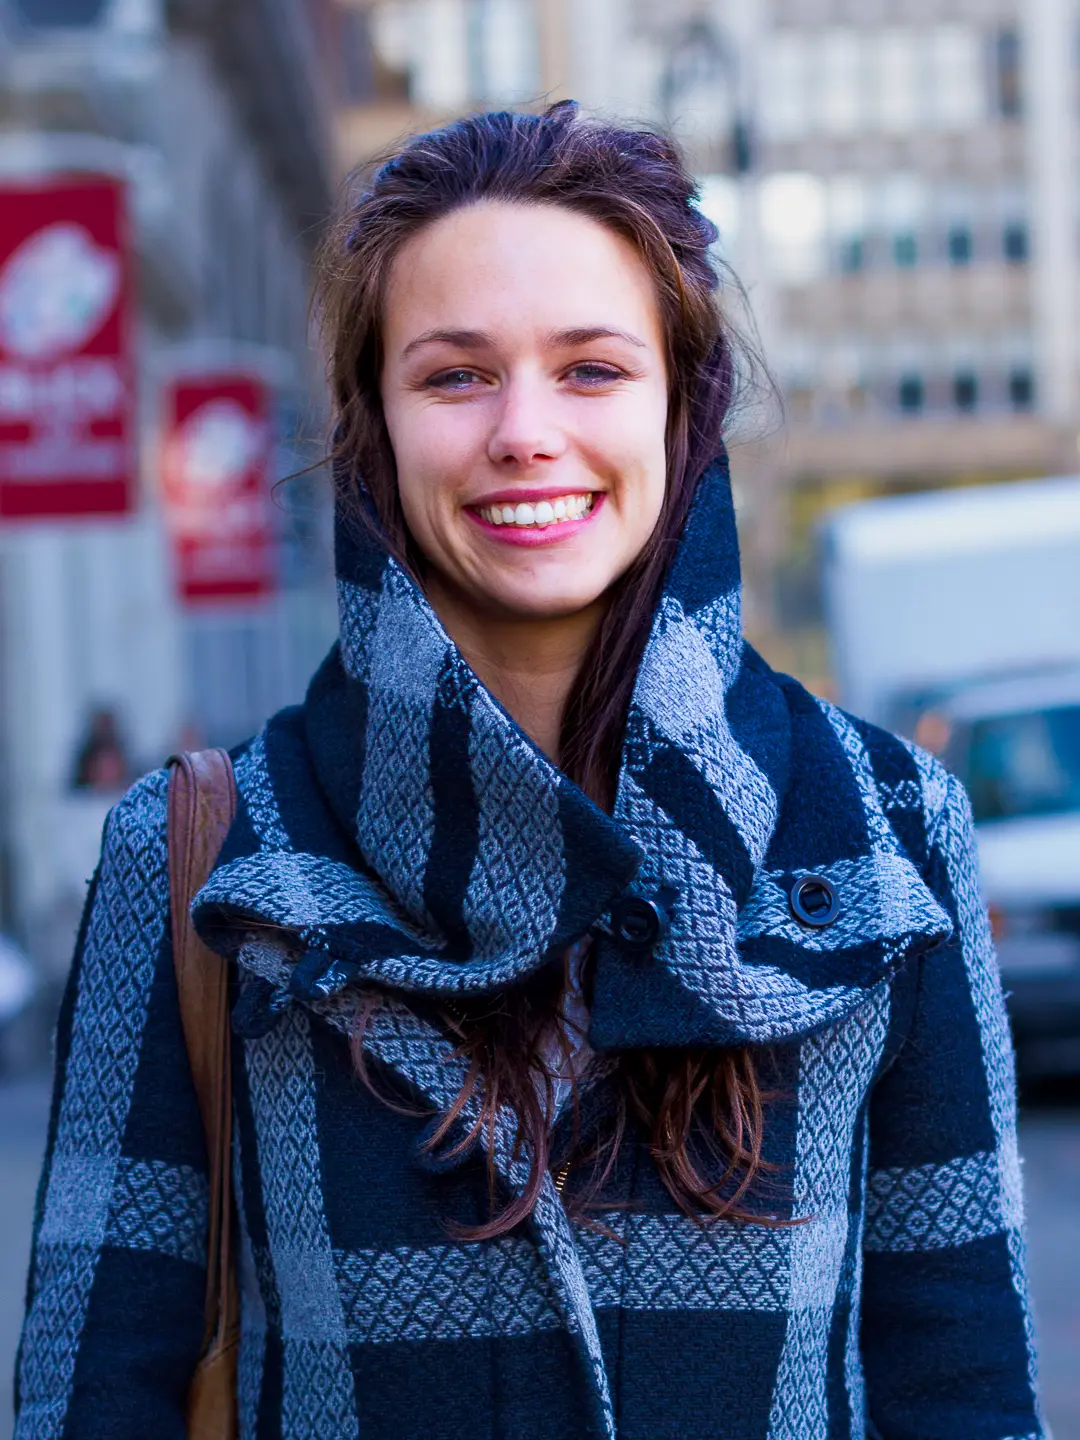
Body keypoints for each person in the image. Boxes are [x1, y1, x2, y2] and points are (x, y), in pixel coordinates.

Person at [15, 103, 1045, 1439]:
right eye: (454, 375)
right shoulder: (206, 849)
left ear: (685, 405)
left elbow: (962, 1383)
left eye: (592, 369)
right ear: (375, 425)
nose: (523, 430)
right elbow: (90, 1393)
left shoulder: (890, 827)